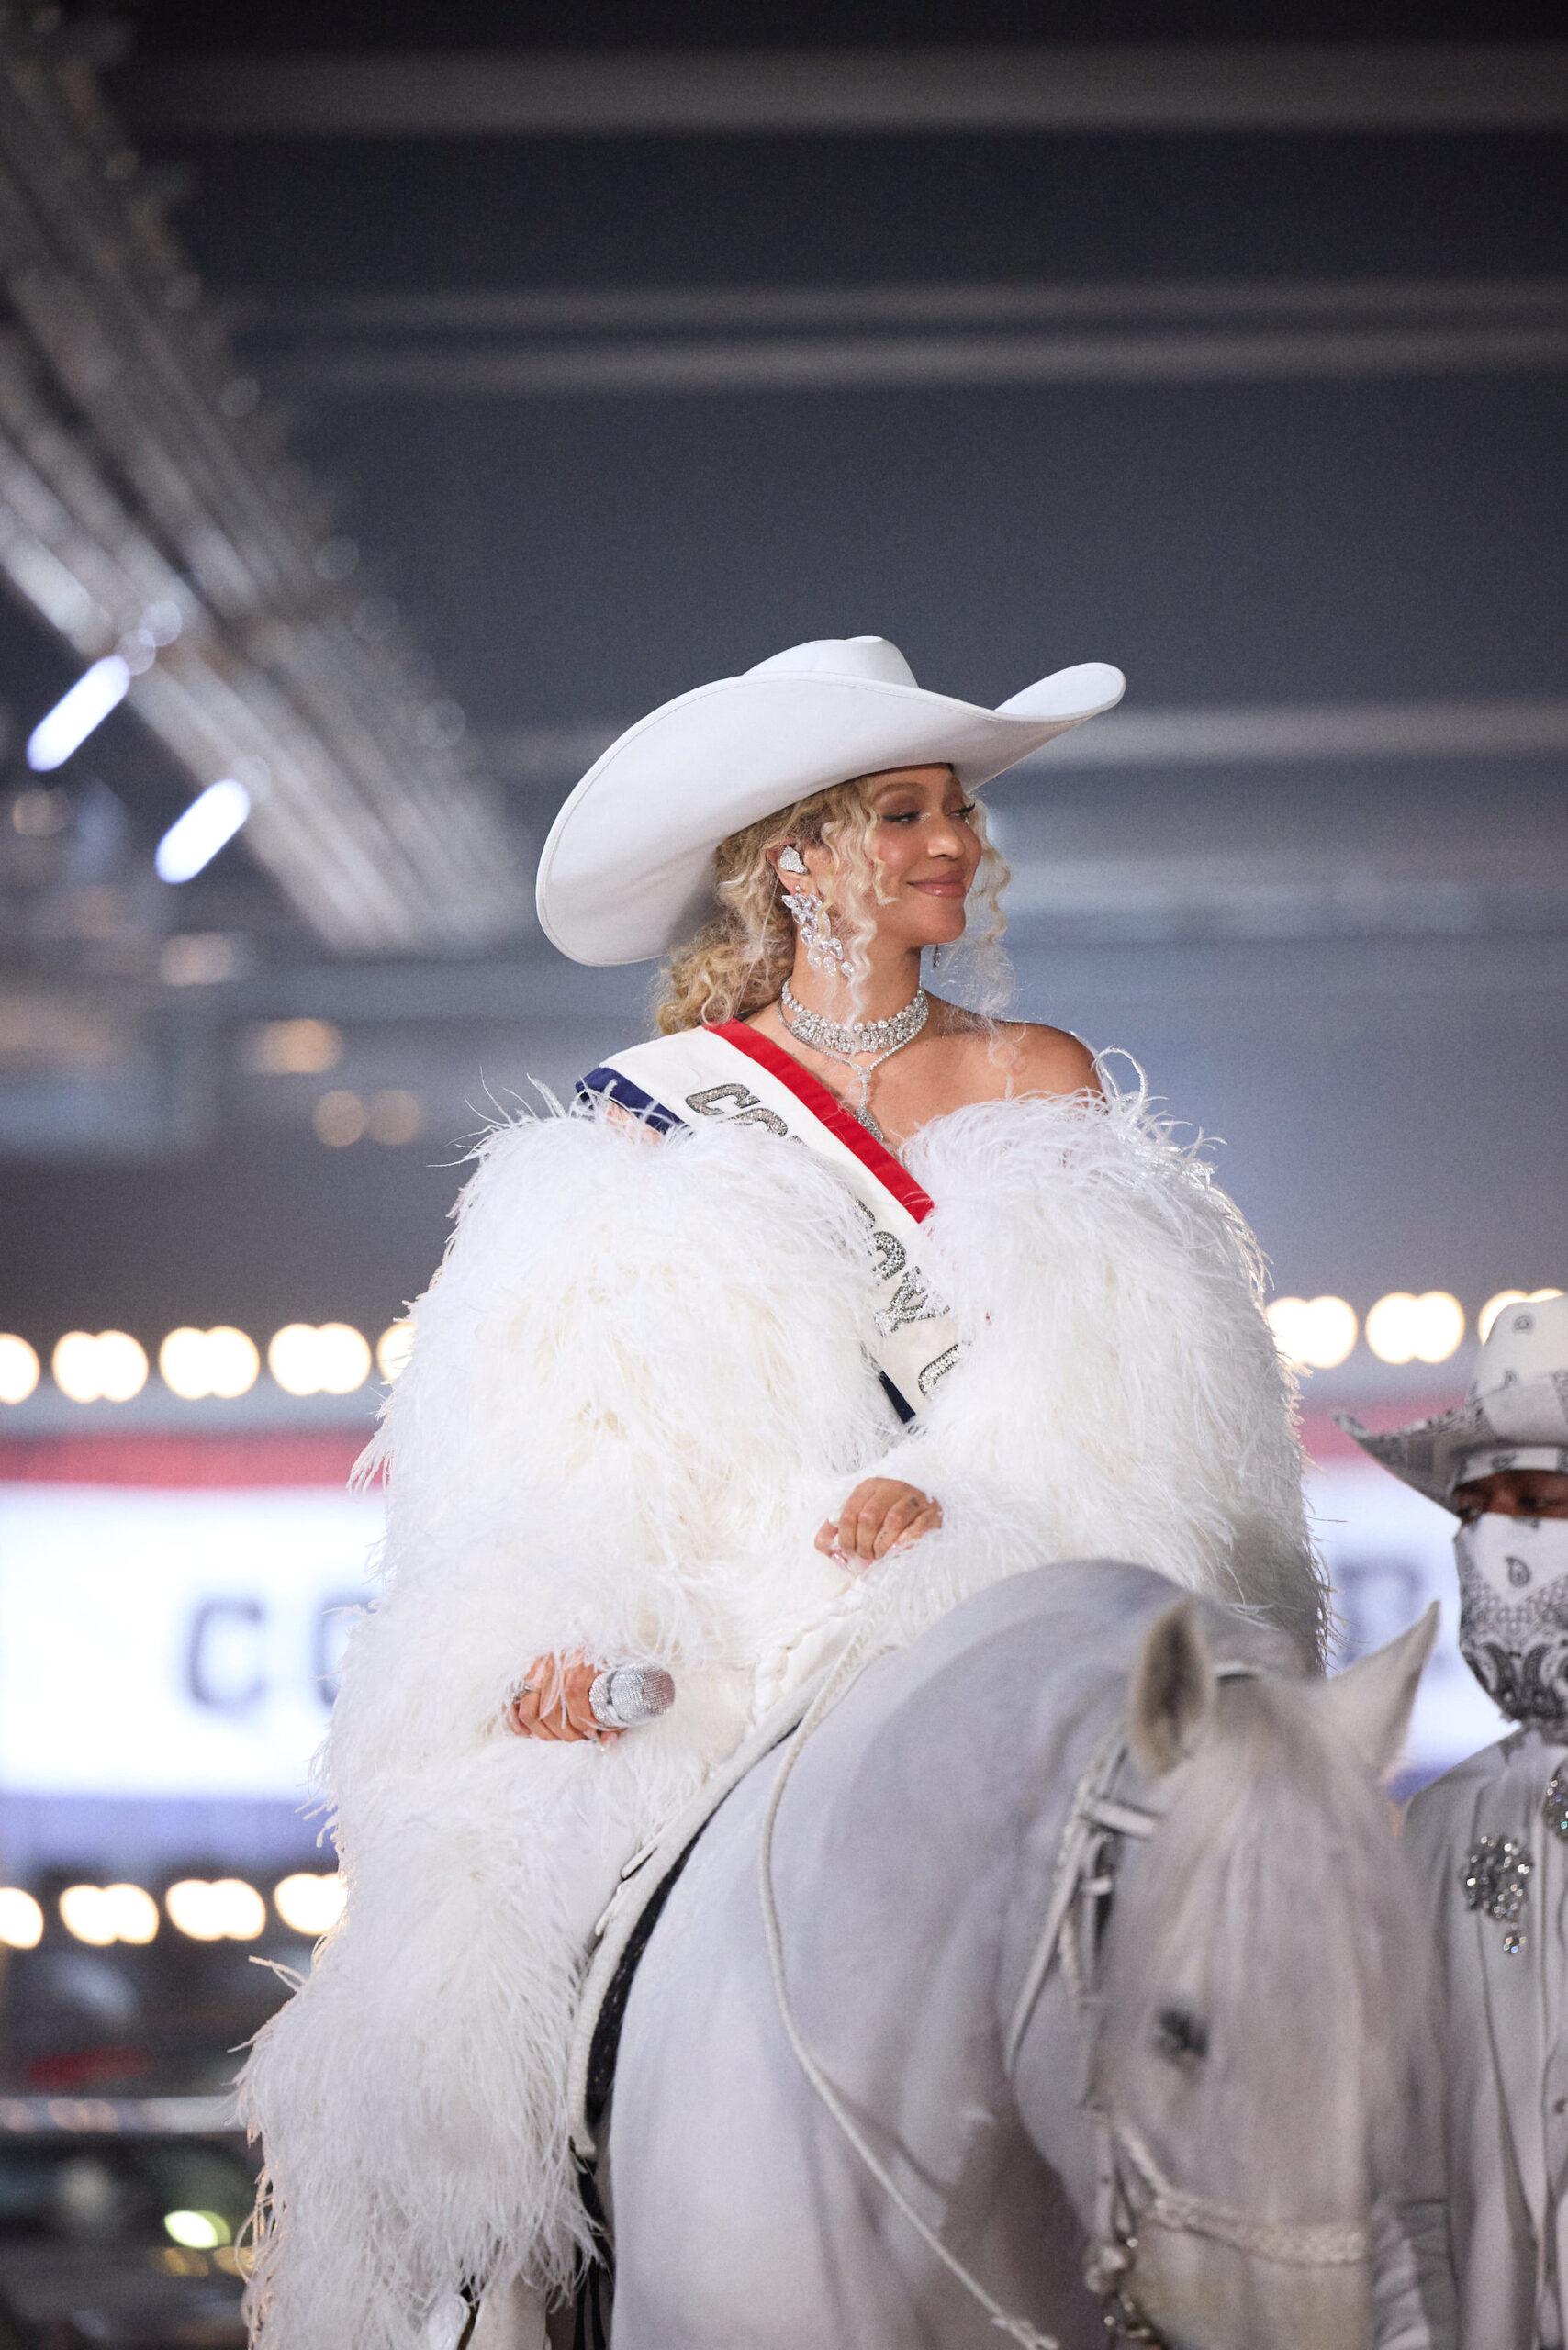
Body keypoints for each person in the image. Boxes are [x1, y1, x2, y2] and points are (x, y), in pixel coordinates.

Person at [239, 633, 1327, 2350]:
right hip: (716, 1630)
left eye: (955, 807)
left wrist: (962, 1496)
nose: (953, 841)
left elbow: (1139, 1414)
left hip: (982, 1602)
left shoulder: (1035, 1076)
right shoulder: (643, 1130)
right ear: (795, 861)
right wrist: (558, 1627)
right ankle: (482, 2301)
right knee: (489, 1933)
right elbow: (554, 1447)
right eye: (901, 812)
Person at [1342, 1290, 1568, 2349]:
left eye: (1539, 1498)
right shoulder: (1443, 1821)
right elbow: (1402, 2190)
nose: (1497, 1539)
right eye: (1476, 1508)